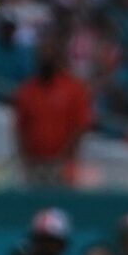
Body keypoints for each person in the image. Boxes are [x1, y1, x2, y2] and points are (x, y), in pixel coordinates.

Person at [12, 37, 93, 185]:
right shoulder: (27, 90)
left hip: (63, 166)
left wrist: (63, 158)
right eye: (42, 55)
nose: (45, 59)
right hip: (34, 166)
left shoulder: (73, 89)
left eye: (49, 55)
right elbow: (20, 128)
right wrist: (25, 159)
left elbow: (80, 127)